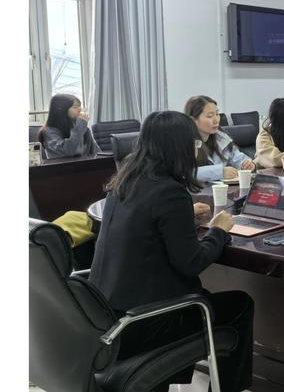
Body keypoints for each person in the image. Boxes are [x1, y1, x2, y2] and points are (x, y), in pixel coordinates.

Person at [89, 111, 253, 392]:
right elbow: (192, 262)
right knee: (240, 305)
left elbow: (145, 222)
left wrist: (183, 214)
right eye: (194, 144)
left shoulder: (125, 181)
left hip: (107, 316)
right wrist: (218, 230)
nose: (196, 150)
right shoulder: (170, 192)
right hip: (149, 321)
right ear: (179, 147)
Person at [184, 95, 255, 183]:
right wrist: (219, 172)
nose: (216, 120)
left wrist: (246, 164)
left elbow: (236, 158)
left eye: (217, 114)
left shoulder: (221, 137)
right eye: (210, 116)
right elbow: (185, 173)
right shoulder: (185, 142)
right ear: (193, 120)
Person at [38, 93, 100, 159]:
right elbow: (68, 152)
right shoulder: (48, 132)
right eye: (75, 107)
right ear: (60, 109)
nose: (79, 110)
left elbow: (98, 153)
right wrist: (80, 127)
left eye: (79, 106)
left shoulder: (84, 129)